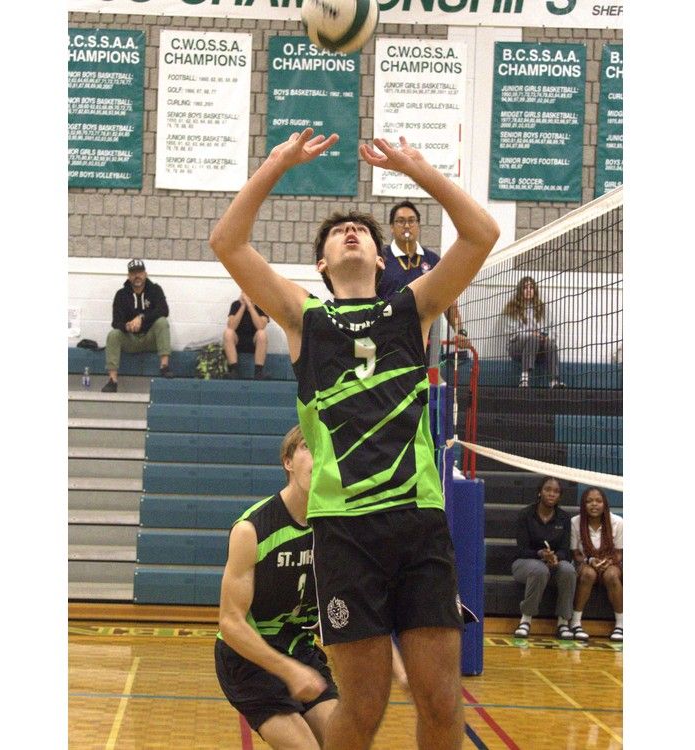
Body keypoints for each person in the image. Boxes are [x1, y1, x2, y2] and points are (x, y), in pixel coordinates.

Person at [209, 128, 500, 750]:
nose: (352, 233)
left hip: (417, 522)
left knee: (441, 702)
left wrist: (421, 172)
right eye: (338, 232)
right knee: (363, 708)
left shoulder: (411, 309)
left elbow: (482, 234)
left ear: (379, 255)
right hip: (345, 534)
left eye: (362, 231)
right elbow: (226, 241)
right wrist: (277, 164)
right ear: (321, 264)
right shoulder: (303, 317)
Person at [215, 426, 339, 749]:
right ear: (288, 462)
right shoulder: (251, 530)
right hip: (248, 659)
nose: (318, 457)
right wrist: (289, 672)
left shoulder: (335, 529)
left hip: (299, 649)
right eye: (308, 449)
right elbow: (230, 624)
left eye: (323, 450)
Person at [377, 200, 469, 349]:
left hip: (424, 342)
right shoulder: (380, 258)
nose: (407, 225)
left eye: (411, 221)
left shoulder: (432, 260)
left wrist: (460, 331)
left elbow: (449, 301)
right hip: (386, 340)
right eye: (400, 221)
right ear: (392, 228)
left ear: (418, 226)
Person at [509, 476, 576, 640]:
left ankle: (563, 622)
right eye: (548, 489)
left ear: (560, 496)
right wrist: (540, 554)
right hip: (524, 563)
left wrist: (556, 557)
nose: (551, 494)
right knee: (539, 569)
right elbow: (521, 549)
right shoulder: (526, 514)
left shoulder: (564, 518)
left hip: (552, 563)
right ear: (539, 492)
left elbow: (566, 551)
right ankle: (526, 620)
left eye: (556, 491)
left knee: (568, 569)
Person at [101, 259, 176, 392]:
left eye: (140, 272)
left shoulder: (155, 290)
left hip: (151, 339)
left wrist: (142, 318)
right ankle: (112, 380)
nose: (137, 276)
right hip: (131, 340)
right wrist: (127, 326)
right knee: (113, 335)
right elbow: (115, 322)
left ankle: (164, 366)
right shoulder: (121, 295)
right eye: (133, 273)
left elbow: (164, 310)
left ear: (145, 274)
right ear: (129, 276)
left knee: (162, 322)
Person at [568, 487, 624, 642]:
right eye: (589, 501)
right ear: (583, 504)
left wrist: (609, 562)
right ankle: (575, 622)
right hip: (585, 562)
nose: (594, 504)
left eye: (598, 501)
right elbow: (576, 554)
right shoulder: (575, 522)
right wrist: (590, 561)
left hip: (611, 561)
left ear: (605, 504)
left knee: (612, 575)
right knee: (588, 574)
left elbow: (619, 553)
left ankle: (621, 624)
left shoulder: (618, 522)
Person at [497, 276, 565, 388]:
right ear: (520, 290)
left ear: (535, 290)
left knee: (551, 344)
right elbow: (511, 334)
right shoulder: (512, 308)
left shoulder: (543, 308)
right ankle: (524, 379)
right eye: (525, 287)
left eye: (531, 287)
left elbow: (553, 328)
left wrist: (547, 337)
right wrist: (531, 334)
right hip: (517, 348)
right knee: (533, 339)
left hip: (539, 349)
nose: (529, 290)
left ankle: (554, 381)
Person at [224, 290, 270, 379]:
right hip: (237, 342)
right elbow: (231, 326)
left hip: (255, 342)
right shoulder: (235, 305)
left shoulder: (262, 305)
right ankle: (234, 370)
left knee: (262, 333)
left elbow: (261, 326)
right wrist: (242, 306)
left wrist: (250, 307)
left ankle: (258, 372)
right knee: (228, 332)